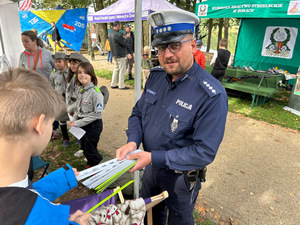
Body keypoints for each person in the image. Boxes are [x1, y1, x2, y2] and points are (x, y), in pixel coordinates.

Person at [116, 10, 228, 225]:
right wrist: (132, 140)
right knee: (149, 215)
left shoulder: (211, 94)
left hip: (180, 179)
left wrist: (153, 157)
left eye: (175, 46)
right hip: (149, 169)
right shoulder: (156, 77)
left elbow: (204, 152)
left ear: (193, 46)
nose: (167, 54)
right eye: (161, 47)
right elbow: (138, 113)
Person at [0, 68, 91, 224]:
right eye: (52, 121)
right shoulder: (45, 218)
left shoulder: (10, 179)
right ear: (39, 124)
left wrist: (59, 180)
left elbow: (19, 195)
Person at [68, 62, 104, 168]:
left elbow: (97, 114)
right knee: (84, 148)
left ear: (91, 75)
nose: (82, 75)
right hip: (83, 124)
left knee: (91, 150)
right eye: (79, 72)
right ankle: (90, 165)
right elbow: (78, 104)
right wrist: (70, 110)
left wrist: (77, 122)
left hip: (93, 126)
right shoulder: (81, 89)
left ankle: (101, 168)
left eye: (85, 72)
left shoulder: (95, 93)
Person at [50, 52, 70, 147]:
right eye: (56, 62)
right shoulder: (53, 75)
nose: (57, 63)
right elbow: (52, 88)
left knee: (75, 118)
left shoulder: (72, 73)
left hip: (71, 100)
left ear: (66, 62)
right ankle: (66, 138)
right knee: (62, 119)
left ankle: (79, 137)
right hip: (60, 100)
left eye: (59, 61)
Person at [108, 20, 129, 90]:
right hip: (120, 54)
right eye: (120, 26)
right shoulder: (118, 34)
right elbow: (124, 43)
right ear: (117, 26)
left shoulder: (110, 33)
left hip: (114, 53)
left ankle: (113, 84)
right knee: (122, 70)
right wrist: (126, 38)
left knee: (116, 69)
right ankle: (121, 85)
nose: (120, 27)